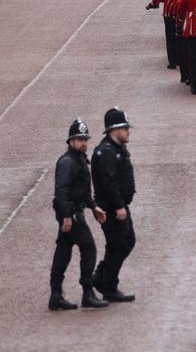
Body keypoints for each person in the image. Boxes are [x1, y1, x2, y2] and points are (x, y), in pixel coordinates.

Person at [49, 119, 109, 311]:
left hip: (74, 211)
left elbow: (81, 189)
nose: (83, 142)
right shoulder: (68, 162)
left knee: (63, 251)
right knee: (89, 248)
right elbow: (62, 191)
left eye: (85, 138)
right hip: (71, 213)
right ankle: (87, 293)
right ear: (70, 141)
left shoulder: (79, 159)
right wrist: (67, 216)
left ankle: (56, 295)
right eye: (79, 139)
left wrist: (93, 207)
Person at [91, 108, 137, 302]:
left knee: (125, 242)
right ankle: (108, 286)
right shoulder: (106, 152)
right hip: (110, 208)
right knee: (119, 243)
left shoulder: (116, 148)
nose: (128, 131)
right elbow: (108, 182)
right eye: (124, 128)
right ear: (114, 130)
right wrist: (118, 206)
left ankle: (101, 278)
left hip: (118, 205)